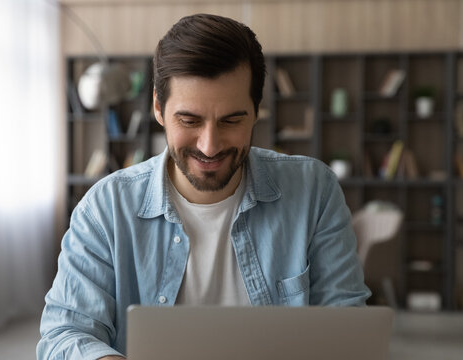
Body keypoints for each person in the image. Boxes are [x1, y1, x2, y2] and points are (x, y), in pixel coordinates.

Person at [37, 13, 370, 360]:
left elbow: (346, 325)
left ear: (256, 111)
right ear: (158, 107)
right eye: (189, 120)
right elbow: (64, 334)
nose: (209, 146)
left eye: (231, 120)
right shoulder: (106, 208)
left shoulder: (314, 191)